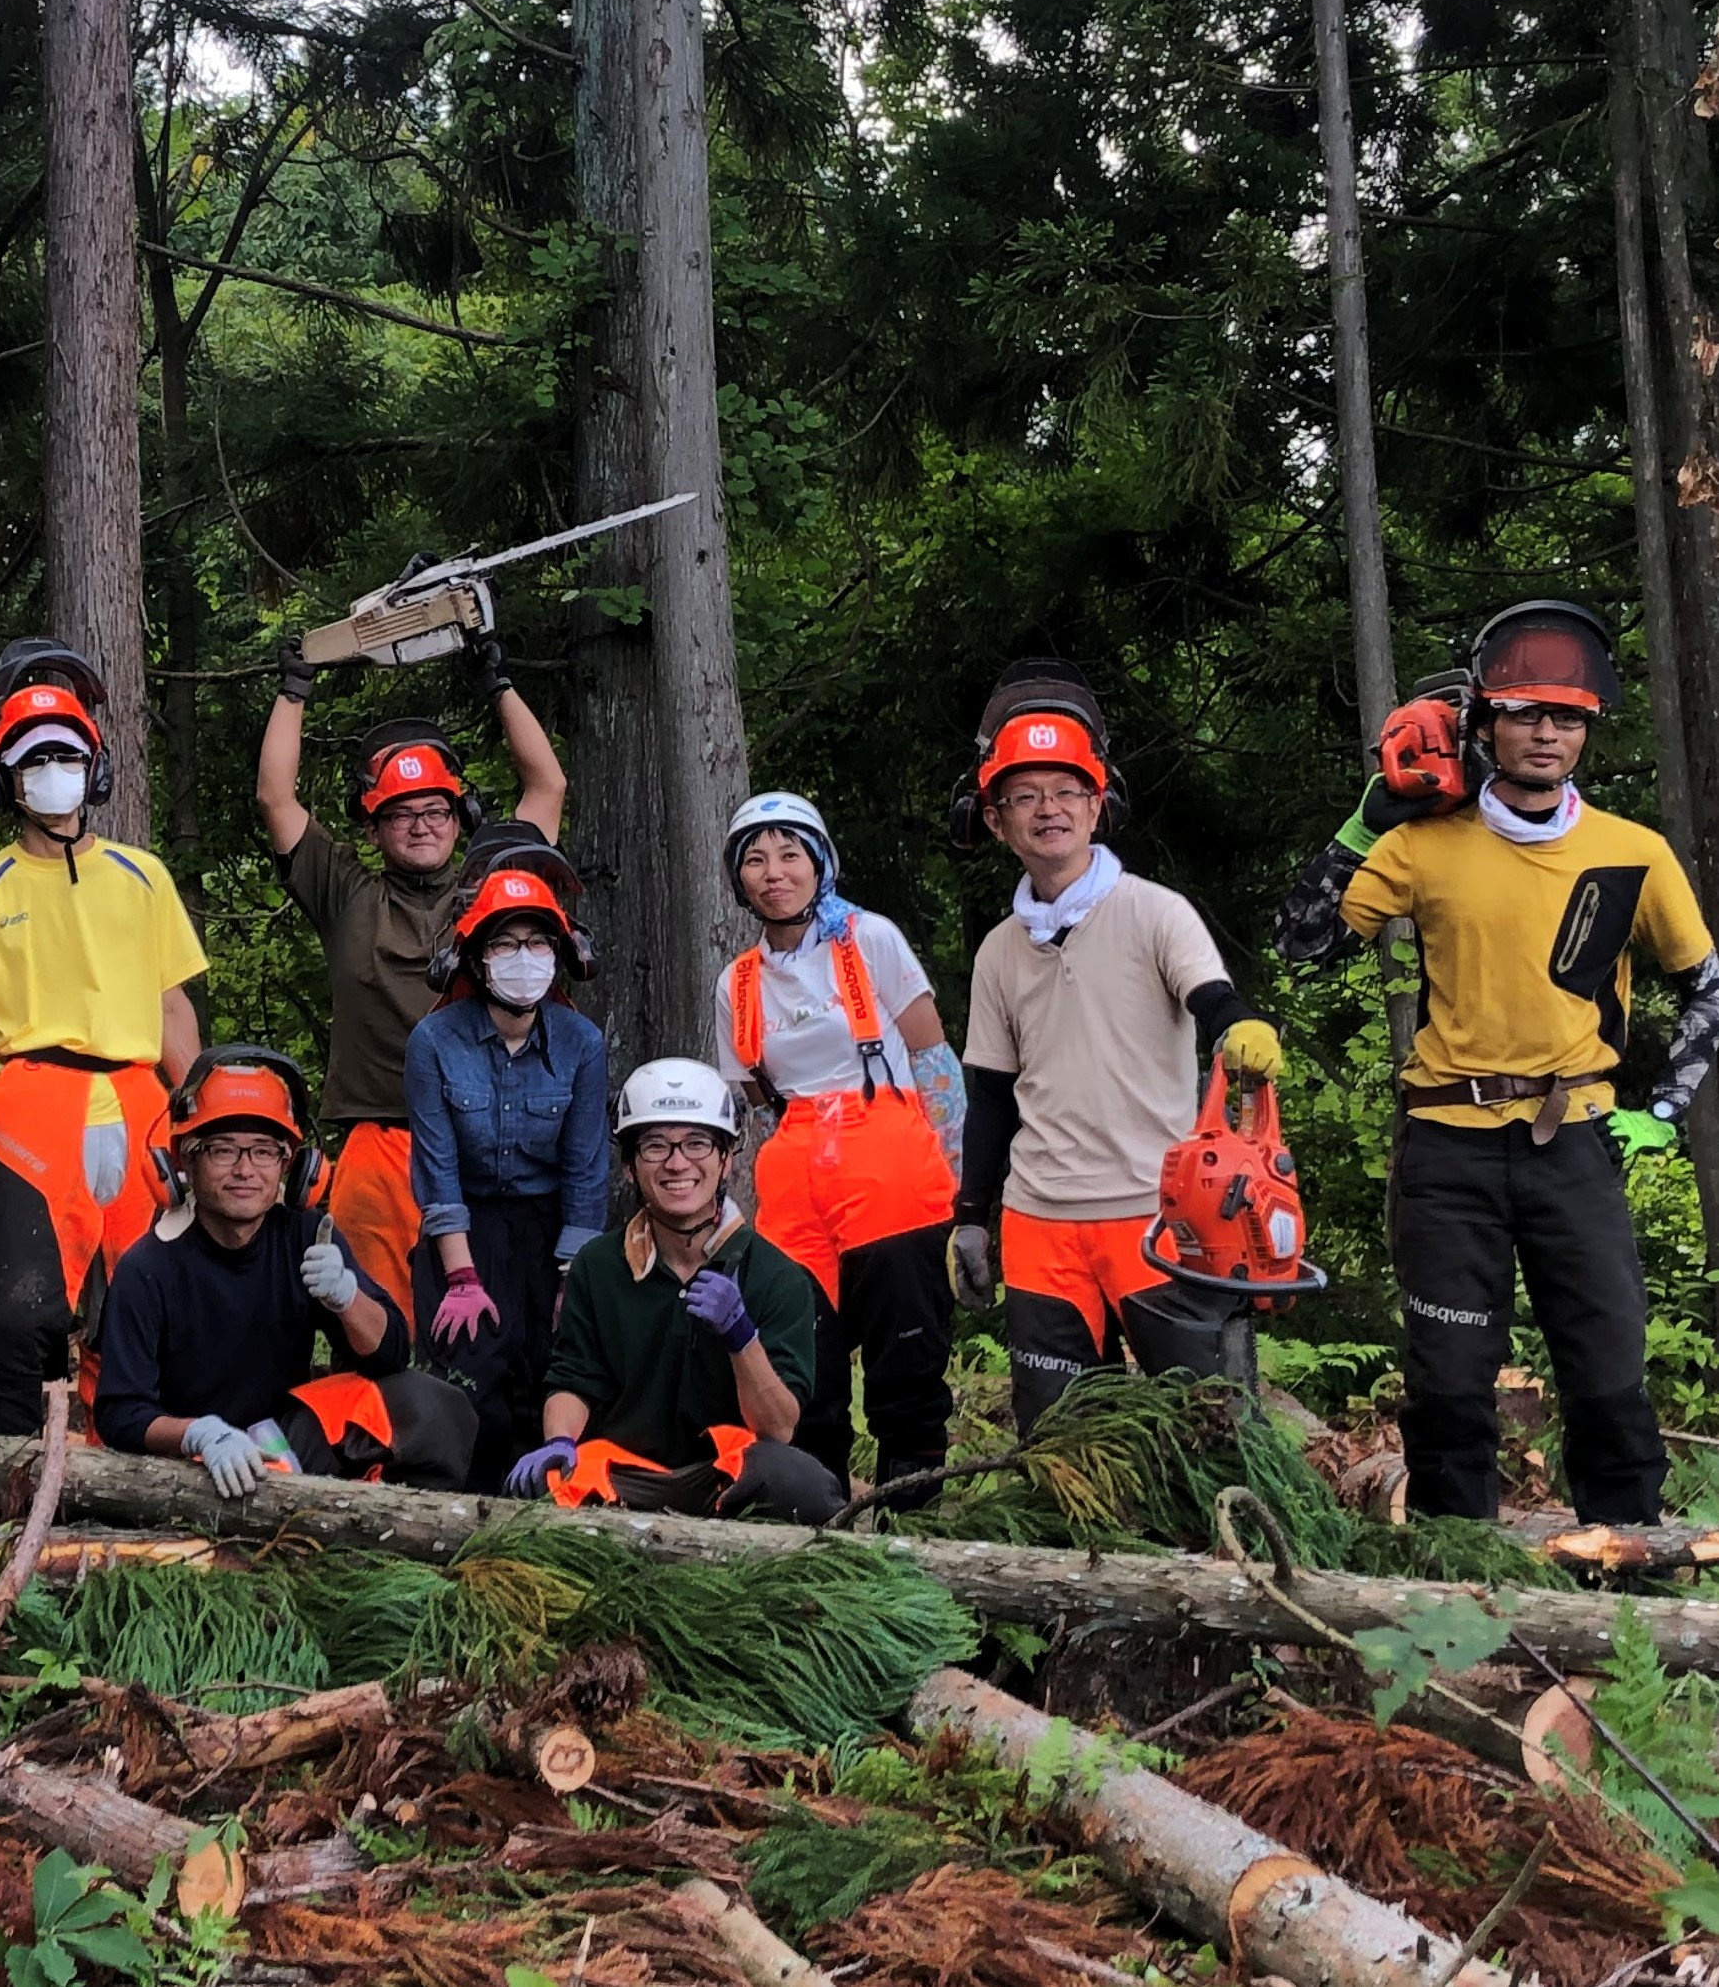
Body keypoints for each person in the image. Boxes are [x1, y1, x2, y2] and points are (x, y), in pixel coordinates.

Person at [1276, 602, 1718, 1524]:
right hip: (1446, 1147)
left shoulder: (1632, 853)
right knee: (1450, 1377)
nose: (1546, 733)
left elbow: (1708, 985)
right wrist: (1361, 829)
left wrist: (1664, 1111)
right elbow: (1301, 944)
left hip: (1577, 1142)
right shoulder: (1422, 844)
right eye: (1524, 713)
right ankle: (1453, 1576)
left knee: (1606, 1366)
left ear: (1589, 727)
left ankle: (1632, 1573)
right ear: (1484, 723)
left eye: (1566, 717)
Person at [949, 663, 1284, 1436]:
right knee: (1063, 1443)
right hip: (1039, 1225)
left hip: (1157, 1217)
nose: (1048, 811)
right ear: (995, 820)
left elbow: (1213, 1001)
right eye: (1024, 797)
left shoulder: (1156, 915)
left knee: (1209, 1428)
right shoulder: (1000, 951)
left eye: (1066, 793)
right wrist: (972, 1215)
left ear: (1098, 807)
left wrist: (1239, 1027)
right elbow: (991, 1096)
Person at [0, 641, 208, 1435]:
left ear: (94, 767)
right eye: (32, 758)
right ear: (4, 777)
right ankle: (3, 1459)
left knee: (156, 1292)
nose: (51, 772)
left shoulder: (143, 876)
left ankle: (144, 1450)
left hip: (142, 1096)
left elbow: (173, 1004)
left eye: (65, 755)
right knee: (20, 1305)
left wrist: (203, 1111)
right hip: (29, 1101)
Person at [255, 645, 569, 1322]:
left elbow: (548, 789)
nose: (423, 823)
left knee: (496, 1321)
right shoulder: (345, 893)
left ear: (464, 818)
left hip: (486, 1142)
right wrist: (294, 688)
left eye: (437, 809)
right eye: (402, 813)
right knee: (375, 1320)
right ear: (373, 826)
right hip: (380, 1144)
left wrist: (499, 680)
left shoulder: (497, 882)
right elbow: (275, 798)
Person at [715, 792, 965, 1500]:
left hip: (890, 1157)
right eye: (755, 860)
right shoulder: (735, 983)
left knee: (905, 1354)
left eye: (789, 854)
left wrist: (963, 1190)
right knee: (806, 1354)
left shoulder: (870, 939)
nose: (773, 873)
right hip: (797, 1175)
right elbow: (755, 1097)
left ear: (820, 861)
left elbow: (934, 1060)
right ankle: (814, 1508)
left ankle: (913, 1508)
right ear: (739, 880)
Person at [96, 1048, 478, 1492]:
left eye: (263, 1152)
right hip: (190, 1465)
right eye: (223, 1151)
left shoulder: (307, 1238)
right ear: (184, 1162)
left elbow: (390, 1357)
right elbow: (119, 1413)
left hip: (287, 1446)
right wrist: (201, 1433)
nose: (245, 1170)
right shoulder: (148, 1267)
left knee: (430, 1403)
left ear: (292, 1168)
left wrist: (346, 1297)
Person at [511, 1059, 839, 1523]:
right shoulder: (597, 1267)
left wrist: (741, 1337)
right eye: (655, 1146)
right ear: (629, 1166)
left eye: (697, 1143)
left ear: (726, 1159)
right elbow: (573, 1380)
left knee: (800, 1483)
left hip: (726, 1476)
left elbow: (779, 1428)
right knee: (541, 1495)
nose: (677, 1162)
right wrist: (559, 1442)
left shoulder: (777, 1276)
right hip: (624, 1477)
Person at [402, 845, 610, 1490]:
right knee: (467, 1370)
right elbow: (436, 1167)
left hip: (552, 1229)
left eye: (537, 942)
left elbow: (586, 1169)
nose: (524, 958)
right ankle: (457, 1505)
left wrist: (573, 1276)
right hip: (464, 1225)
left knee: (554, 1362)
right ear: (475, 956)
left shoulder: (582, 1042)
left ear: (560, 954)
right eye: (505, 944)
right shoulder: (434, 1041)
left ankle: (557, 1496)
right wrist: (461, 1277)